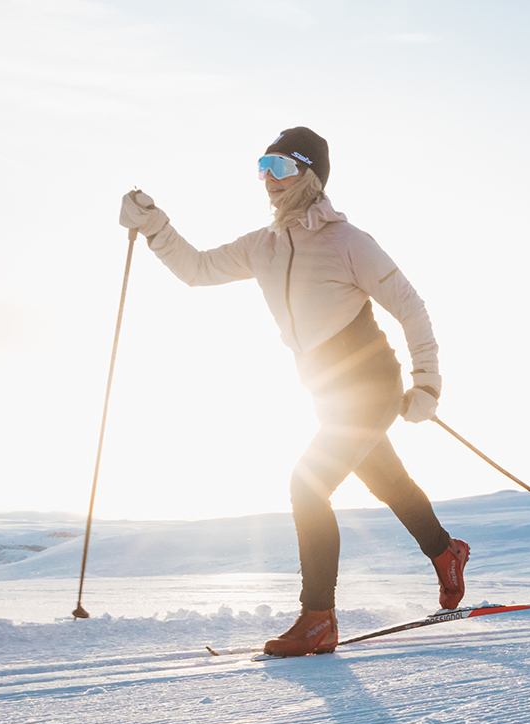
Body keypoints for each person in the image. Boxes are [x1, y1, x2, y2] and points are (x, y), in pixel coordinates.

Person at [117, 127, 467, 656]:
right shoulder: (263, 245)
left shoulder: (349, 242)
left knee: (307, 485)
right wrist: (154, 225)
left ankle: (318, 619)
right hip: (326, 391)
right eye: (263, 166)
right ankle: (446, 552)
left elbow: (409, 305)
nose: (268, 180)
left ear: (310, 176)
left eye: (280, 168)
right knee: (387, 481)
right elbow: (198, 270)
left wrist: (427, 384)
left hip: (371, 384)